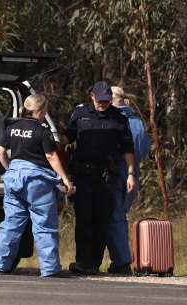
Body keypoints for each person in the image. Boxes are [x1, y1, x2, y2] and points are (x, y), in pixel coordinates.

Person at [0, 94, 75, 278]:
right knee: (44, 226)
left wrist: (11, 169)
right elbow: (52, 157)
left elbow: (0, 152)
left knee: (11, 224)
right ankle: (50, 269)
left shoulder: (12, 128)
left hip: (14, 180)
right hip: (37, 182)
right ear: (40, 112)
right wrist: (65, 179)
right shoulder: (42, 131)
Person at [62, 81, 135, 275]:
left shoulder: (119, 118)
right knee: (84, 218)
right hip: (83, 174)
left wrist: (130, 174)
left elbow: (128, 147)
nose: (103, 104)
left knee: (101, 220)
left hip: (106, 176)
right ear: (92, 96)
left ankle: (93, 264)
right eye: (100, 100)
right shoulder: (80, 113)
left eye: (107, 101)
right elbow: (67, 136)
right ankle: (82, 262)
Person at [106, 86, 152, 274]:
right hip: (133, 175)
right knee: (120, 217)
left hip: (117, 173)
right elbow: (145, 147)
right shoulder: (138, 122)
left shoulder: (114, 119)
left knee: (114, 218)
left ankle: (122, 262)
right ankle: (121, 259)